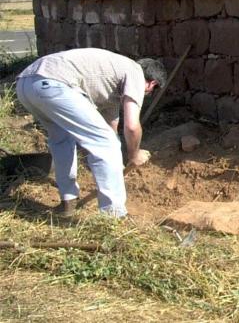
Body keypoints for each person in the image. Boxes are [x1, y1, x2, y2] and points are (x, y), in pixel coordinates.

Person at [15, 48, 166, 217]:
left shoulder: (113, 81)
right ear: (152, 84)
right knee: (106, 143)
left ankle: (68, 201)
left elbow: (110, 128)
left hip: (25, 84)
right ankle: (114, 216)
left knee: (62, 140)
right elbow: (131, 126)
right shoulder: (135, 72)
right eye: (149, 92)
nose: (145, 95)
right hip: (54, 83)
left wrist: (115, 165)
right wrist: (134, 154)